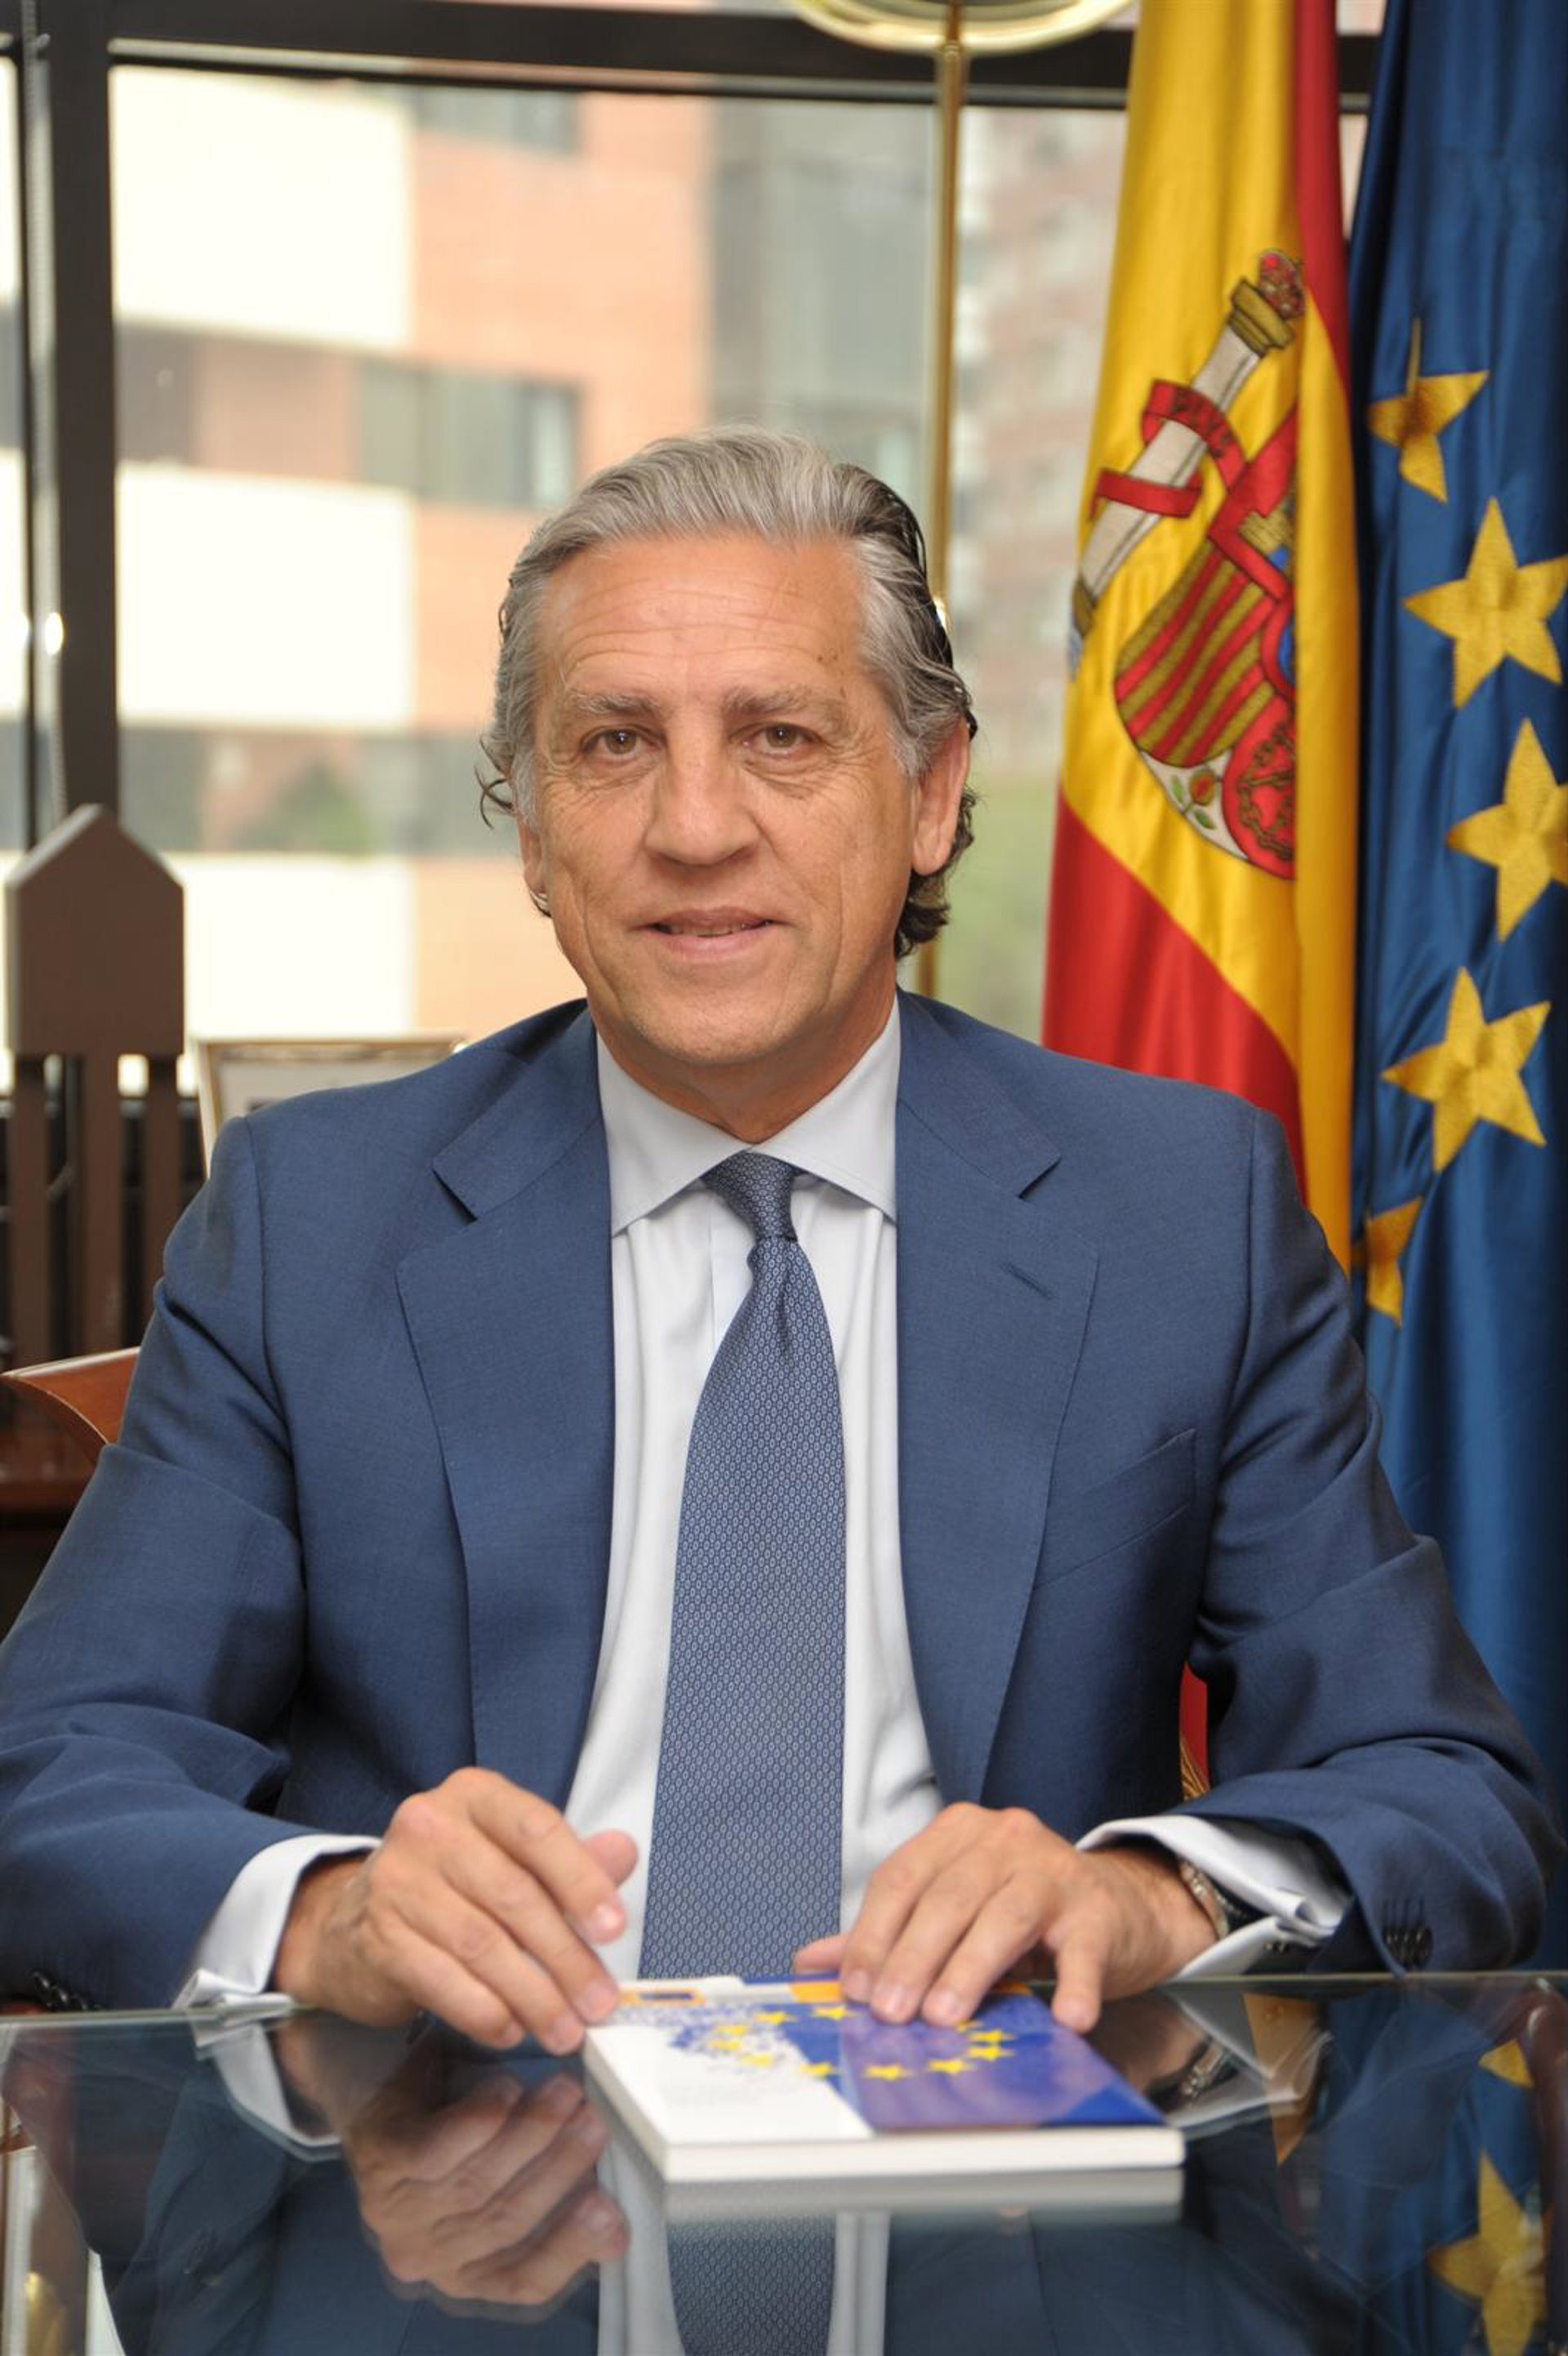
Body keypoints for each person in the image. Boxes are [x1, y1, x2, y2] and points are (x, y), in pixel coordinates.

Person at [0, 429, 1556, 2062]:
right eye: (613, 743)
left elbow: (1443, 1791)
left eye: (782, 738)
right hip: (452, 2160)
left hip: (994, 2163)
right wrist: (332, 1915)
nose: (694, 825)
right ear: (531, 831)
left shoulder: (1178, 1214)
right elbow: (50, 1769)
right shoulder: (312, 1222)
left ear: (932, 794)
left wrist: (1146, 1895)